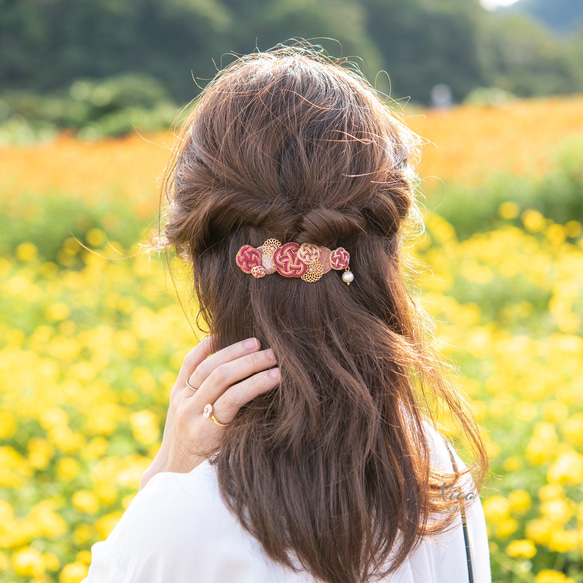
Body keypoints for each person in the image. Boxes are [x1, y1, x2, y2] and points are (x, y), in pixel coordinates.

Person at [83, 42, 491, 583]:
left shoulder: (178, 522)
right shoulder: (437, 477)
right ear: (385, 251)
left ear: (201, 256)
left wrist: (163, 475)